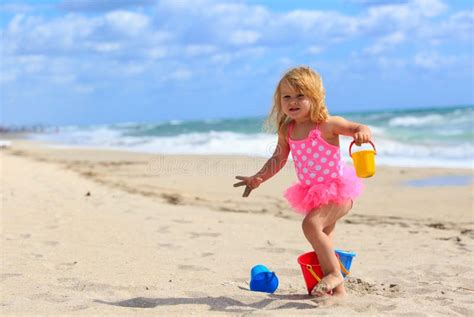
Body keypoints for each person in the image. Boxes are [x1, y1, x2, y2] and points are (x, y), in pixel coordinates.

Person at [233, 66, 372, 297]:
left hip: (338, 191)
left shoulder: (327, 124)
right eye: (287, 96)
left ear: (315, 97)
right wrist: (259, 177)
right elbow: (278, 158)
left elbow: (357, 127)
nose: (293, 101)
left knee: (310, 226)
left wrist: (362, 133)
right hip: (313, 194)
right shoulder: (287, 129)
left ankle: (335, 274)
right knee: (323, 239)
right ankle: (339, 294)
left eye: (300, 96)